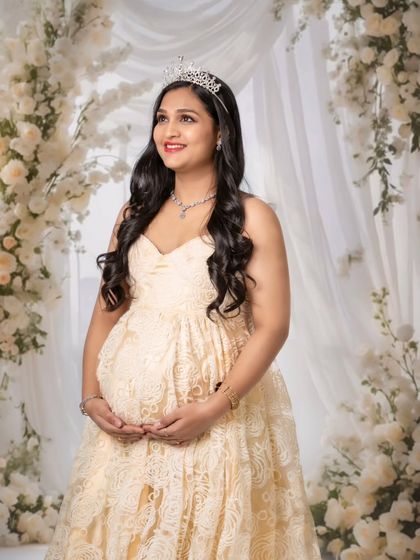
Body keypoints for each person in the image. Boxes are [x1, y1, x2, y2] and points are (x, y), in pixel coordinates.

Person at [45, 55, 321, 559]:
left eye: (187, 118)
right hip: (126, 430)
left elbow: (274, 325)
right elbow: (107, 310)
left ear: (220, 133)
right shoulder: (135, 211)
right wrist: (92, 398)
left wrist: (213, 408)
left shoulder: (251, 216)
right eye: (161, 117)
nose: (168, 131)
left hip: (215, 421)